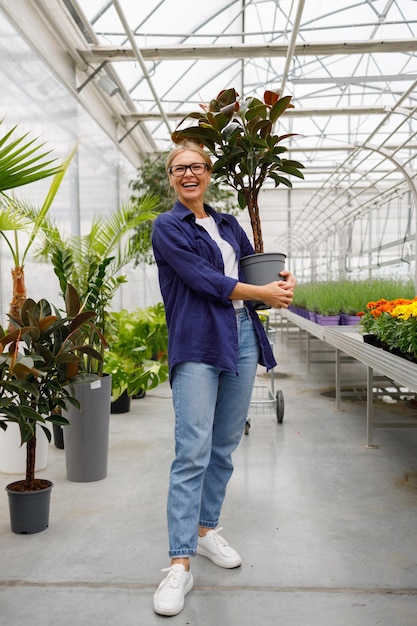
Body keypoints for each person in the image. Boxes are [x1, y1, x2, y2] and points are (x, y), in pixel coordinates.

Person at [151, 141, 296, 616]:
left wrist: (280, 285)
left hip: (242, 334)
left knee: (224, 444)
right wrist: (262, 291)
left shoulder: (229, 223)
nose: (187, 174)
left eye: (195, 166)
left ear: (209, 172)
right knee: (191, 448)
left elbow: (253, 271)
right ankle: (179, 564)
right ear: (171, 178)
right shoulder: (168, 226)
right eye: (178, 169)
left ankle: (206, 530)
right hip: (197, 339)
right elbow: (205, 281)